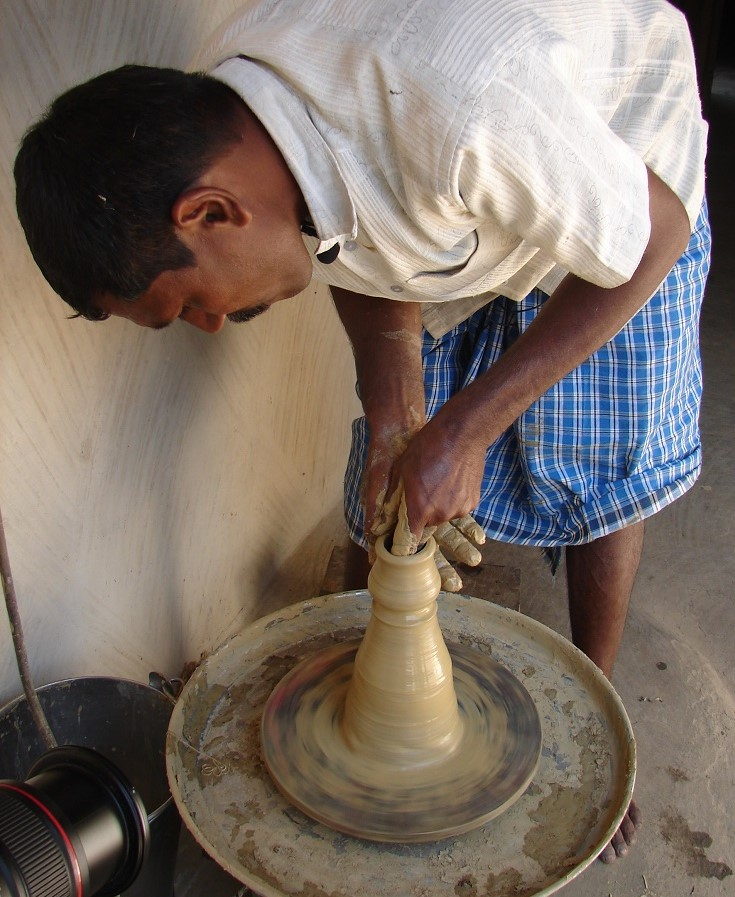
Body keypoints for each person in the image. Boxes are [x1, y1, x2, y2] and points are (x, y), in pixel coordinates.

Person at [14, 0, 710, 864]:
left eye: (187, 304)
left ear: (212, 212)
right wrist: (396, 411)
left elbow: (653, 233)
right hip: (478, 196)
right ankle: (361, 671)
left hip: (622, 171)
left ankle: (597, 705)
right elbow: (337, 221)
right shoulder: (254, 108)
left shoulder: (465, 110)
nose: (211, 326)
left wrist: (471, 424)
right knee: (392, 468)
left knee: (599, 462)